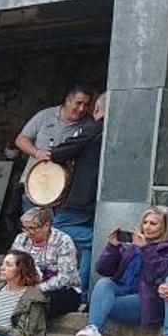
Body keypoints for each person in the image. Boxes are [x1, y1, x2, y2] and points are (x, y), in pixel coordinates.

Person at [58, 206, 168, 336]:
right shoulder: (133, 245)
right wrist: (112, 247)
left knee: (101, 304)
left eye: (153, 224)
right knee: (104, 283)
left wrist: (146, 249)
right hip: (120, 294)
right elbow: (103, 269)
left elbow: (163, 274)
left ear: (166, 227)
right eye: (145, 222)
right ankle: (92, 332)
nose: (147, 226)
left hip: (146, 302)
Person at [47, 91, 106, 296]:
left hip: (82, 196)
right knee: (88, 249)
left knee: (56, 228)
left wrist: (52, 154)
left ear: (97, 109)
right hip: (98, 196)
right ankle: (83, 291)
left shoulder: (94, 128)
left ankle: (100, 239)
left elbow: (60, 153)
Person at [11, 207, 81, 320]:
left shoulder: (63, 241)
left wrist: (38, 288)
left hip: (62, 290)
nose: (28, 233)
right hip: (29, 286)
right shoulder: (21, 239)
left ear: (46, 226)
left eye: (32, 228)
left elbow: (66, 278)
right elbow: (14, 264)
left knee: (37, 303)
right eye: (25, 228)